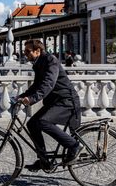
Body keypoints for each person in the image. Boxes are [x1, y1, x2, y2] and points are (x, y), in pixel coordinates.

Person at [16, 39, 82, 171]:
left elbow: (48, 83)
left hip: (66, 101)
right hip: (55, 101)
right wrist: (22, 96)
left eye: (27, 51)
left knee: (42, 122)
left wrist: (32, 99)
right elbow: (36, 85)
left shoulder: (51, 60)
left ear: (37, 51)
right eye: (24, 52)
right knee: (31, 124)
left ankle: (74, 146)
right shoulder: (38, 63)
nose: (25, 54)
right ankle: (44, 160)